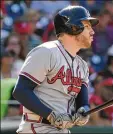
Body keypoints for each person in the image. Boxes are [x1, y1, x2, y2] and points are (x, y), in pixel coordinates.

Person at [12, 5, 99, 133]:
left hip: (61, 129)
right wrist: (51, 115)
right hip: (37, 127)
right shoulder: (46, 52)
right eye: (87, 26)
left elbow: (83, 103)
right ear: (73, 28)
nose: (92, 31)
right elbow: (21, 91)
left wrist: (83, 112)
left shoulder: (82, 66)